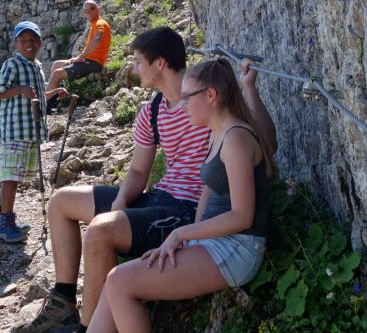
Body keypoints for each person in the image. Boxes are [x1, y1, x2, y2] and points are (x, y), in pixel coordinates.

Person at [12, 27, 275, 333]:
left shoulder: (215, 117)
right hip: (168, 204)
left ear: (159, 63)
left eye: (138, 61)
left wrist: (184, 234)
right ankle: (64, 304)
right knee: (63, 204)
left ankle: (83, 324)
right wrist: (122, 203)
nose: (134, 69)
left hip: (194, 219)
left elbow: (262, 144)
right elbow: (140, 172)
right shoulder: (157, 113)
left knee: (104, 243)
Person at [87, 57, 277, 333]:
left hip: (237, 248)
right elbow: (207, 191)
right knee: (113, 283)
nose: (182, 105)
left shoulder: (235, 138)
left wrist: (180, 234)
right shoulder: (217, 132)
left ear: (210, 95)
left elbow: (242, 216)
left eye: (188, 98)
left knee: (120, 282)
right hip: (211, 241)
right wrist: (192, 238)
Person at [0, 21, 65, 243]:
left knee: (16, 174)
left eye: (33, 40)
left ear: (40, 42)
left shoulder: (37, 66)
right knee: (11, 176)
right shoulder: (12, 64)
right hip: (15, 129)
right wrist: (20, 89)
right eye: (23, 40)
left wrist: (54, 91)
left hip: (30, 130)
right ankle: (5, 224)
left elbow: (38, 95)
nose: (28, 44)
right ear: (16, 43)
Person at [46, 0, 111, 112]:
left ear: (97, 10)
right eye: (85, 11)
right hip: (88, 60)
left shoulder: (100, 23)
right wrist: (79, 58)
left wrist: (81, 56)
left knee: (57, 74)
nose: (87, 13)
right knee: (56, 64)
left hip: (93, 63)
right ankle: (54, 100)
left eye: (90, 9)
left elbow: (97, 39)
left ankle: (45, 106)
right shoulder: (94, 23)